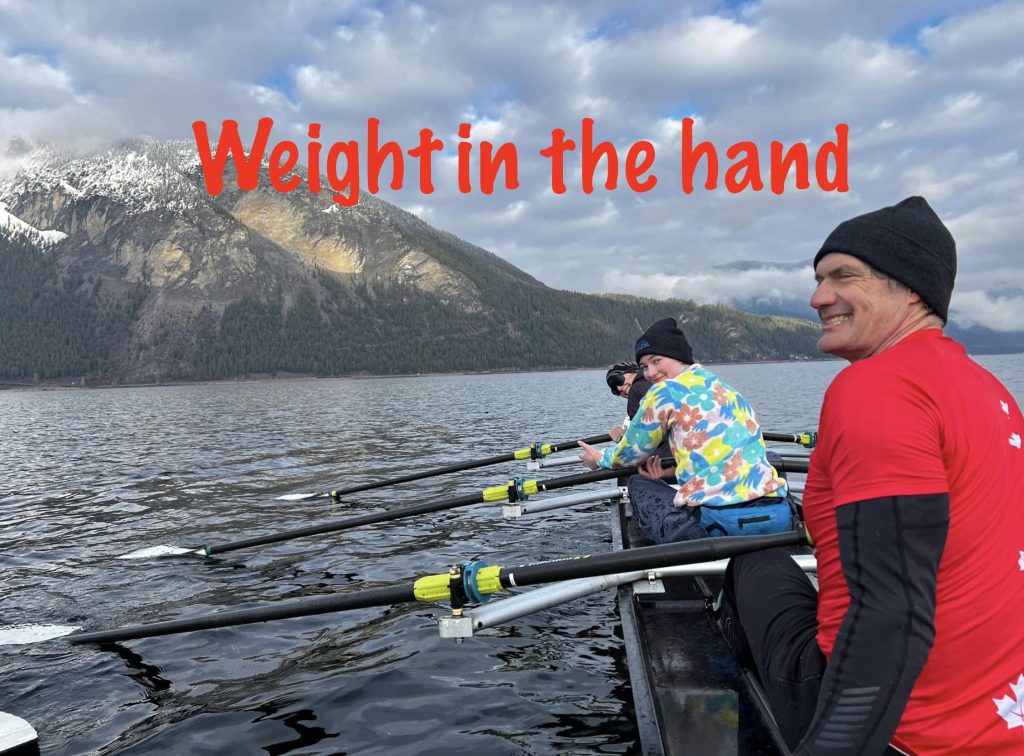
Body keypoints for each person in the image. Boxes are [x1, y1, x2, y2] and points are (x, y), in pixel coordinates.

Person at [722, 196, 1024, 754]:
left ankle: (739, 700)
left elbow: (891, 614)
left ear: (910, 287)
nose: (817, 297)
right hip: (998, 718)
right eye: (818, 278)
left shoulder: (876, 386)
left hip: (900, 729)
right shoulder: (993, 391)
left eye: (843, 276)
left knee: (751, 560)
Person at [579, 317, 792, 543]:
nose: (650, 372)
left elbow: (629, 455)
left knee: (638, 483)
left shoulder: (663, 392)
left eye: (656, 360)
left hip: (718, 526)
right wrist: (671, 473)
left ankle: (654, 555)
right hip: (778, 517)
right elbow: (713, 450)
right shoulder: (724, 389)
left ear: (678, 356)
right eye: (643, 367)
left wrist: (598, 459)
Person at [604, 362, 654, 440]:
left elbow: (642, 441)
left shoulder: (636, 389)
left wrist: (621, 438)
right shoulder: (659, 382)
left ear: (634, 371)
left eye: (618, 380)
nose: (619, 388)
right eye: (615, 390)